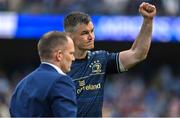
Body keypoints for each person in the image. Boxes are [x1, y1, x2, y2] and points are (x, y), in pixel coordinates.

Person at [64, 2, 157, 117]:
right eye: (84, 33)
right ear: (69, 36)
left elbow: (137, 54)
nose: (91, 37)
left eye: (92, 31)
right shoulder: (60, 68)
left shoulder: (100, 59)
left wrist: (148, 21)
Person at [9, 31, 77, 117]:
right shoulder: (61, 81)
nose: (73, 58)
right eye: (71, 53)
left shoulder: (21, 85)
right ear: (59, 55)